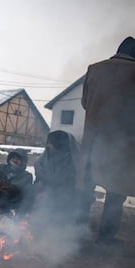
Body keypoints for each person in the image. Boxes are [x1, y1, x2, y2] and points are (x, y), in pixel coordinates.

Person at [77, 36, 135, 242]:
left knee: (85, 187)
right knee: (115, 193)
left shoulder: (95, 69)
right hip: (121, 147)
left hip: (93, 142)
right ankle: (105, 237)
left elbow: (85, 103)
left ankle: (77, 231)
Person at [32, 130, 80, 223]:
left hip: (65, 201)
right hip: (44, 199)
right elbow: (39, 180)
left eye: (53, 144)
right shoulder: (41, 161)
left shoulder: (74, 164)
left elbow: (71, 189)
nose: (49, 146)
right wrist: (39, 191)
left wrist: (51, 195)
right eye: (49, 143)